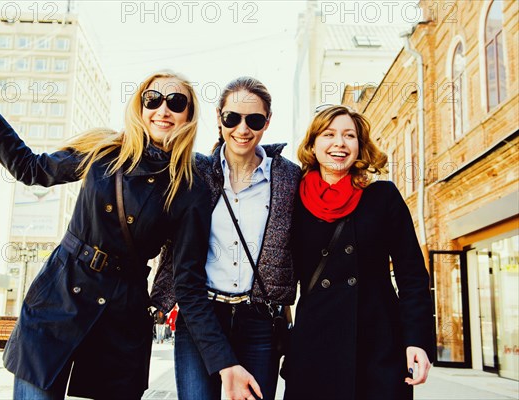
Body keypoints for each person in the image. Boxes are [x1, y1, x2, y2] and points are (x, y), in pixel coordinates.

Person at [0, 59, 213, 400]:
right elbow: (32, 169)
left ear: (189, 115)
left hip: (122, 316)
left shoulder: (189, 185)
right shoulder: (105, 150)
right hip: (60, 293)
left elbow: (186, 271)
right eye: (153, 99)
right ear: (140, 106)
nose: (163, 109)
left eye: (176, 102)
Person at [152, 77, 300, 400]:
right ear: (219, 118)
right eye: (232, 118)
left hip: (259, 319)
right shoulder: (194, 172)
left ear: (267, 122)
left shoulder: (289, 177)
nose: (242, 129)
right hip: (201, 316)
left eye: (254, 120)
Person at [283, 105, 435, 400]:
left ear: (360, 146)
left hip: (378, 344)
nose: (339, 143)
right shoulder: (293, 198)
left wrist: (417, 340)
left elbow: (411, 273)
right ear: (313, 145)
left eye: (349, 135)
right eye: (329, 134)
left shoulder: (383, 196)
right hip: (314, 344)